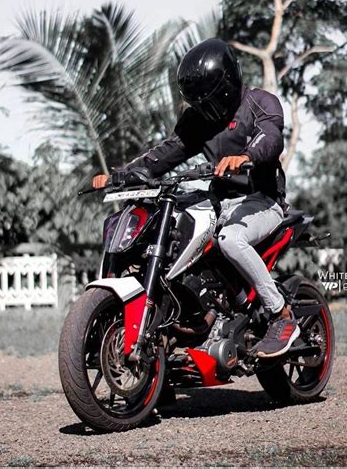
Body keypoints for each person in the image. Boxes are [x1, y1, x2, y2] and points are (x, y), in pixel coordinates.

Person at [92, 38, 299, 357]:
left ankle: (280, 315)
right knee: (173, 230)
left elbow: (270, 139)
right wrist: (119, 176)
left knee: (230, 239)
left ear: (228, 82)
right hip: (220, 203)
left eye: (211, 99)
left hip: (263, 200)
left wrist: (245, 157)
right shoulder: (196, 121)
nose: (206, 107)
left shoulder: (260, 102)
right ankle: (186, 315)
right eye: (199, 102)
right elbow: (163, 155)